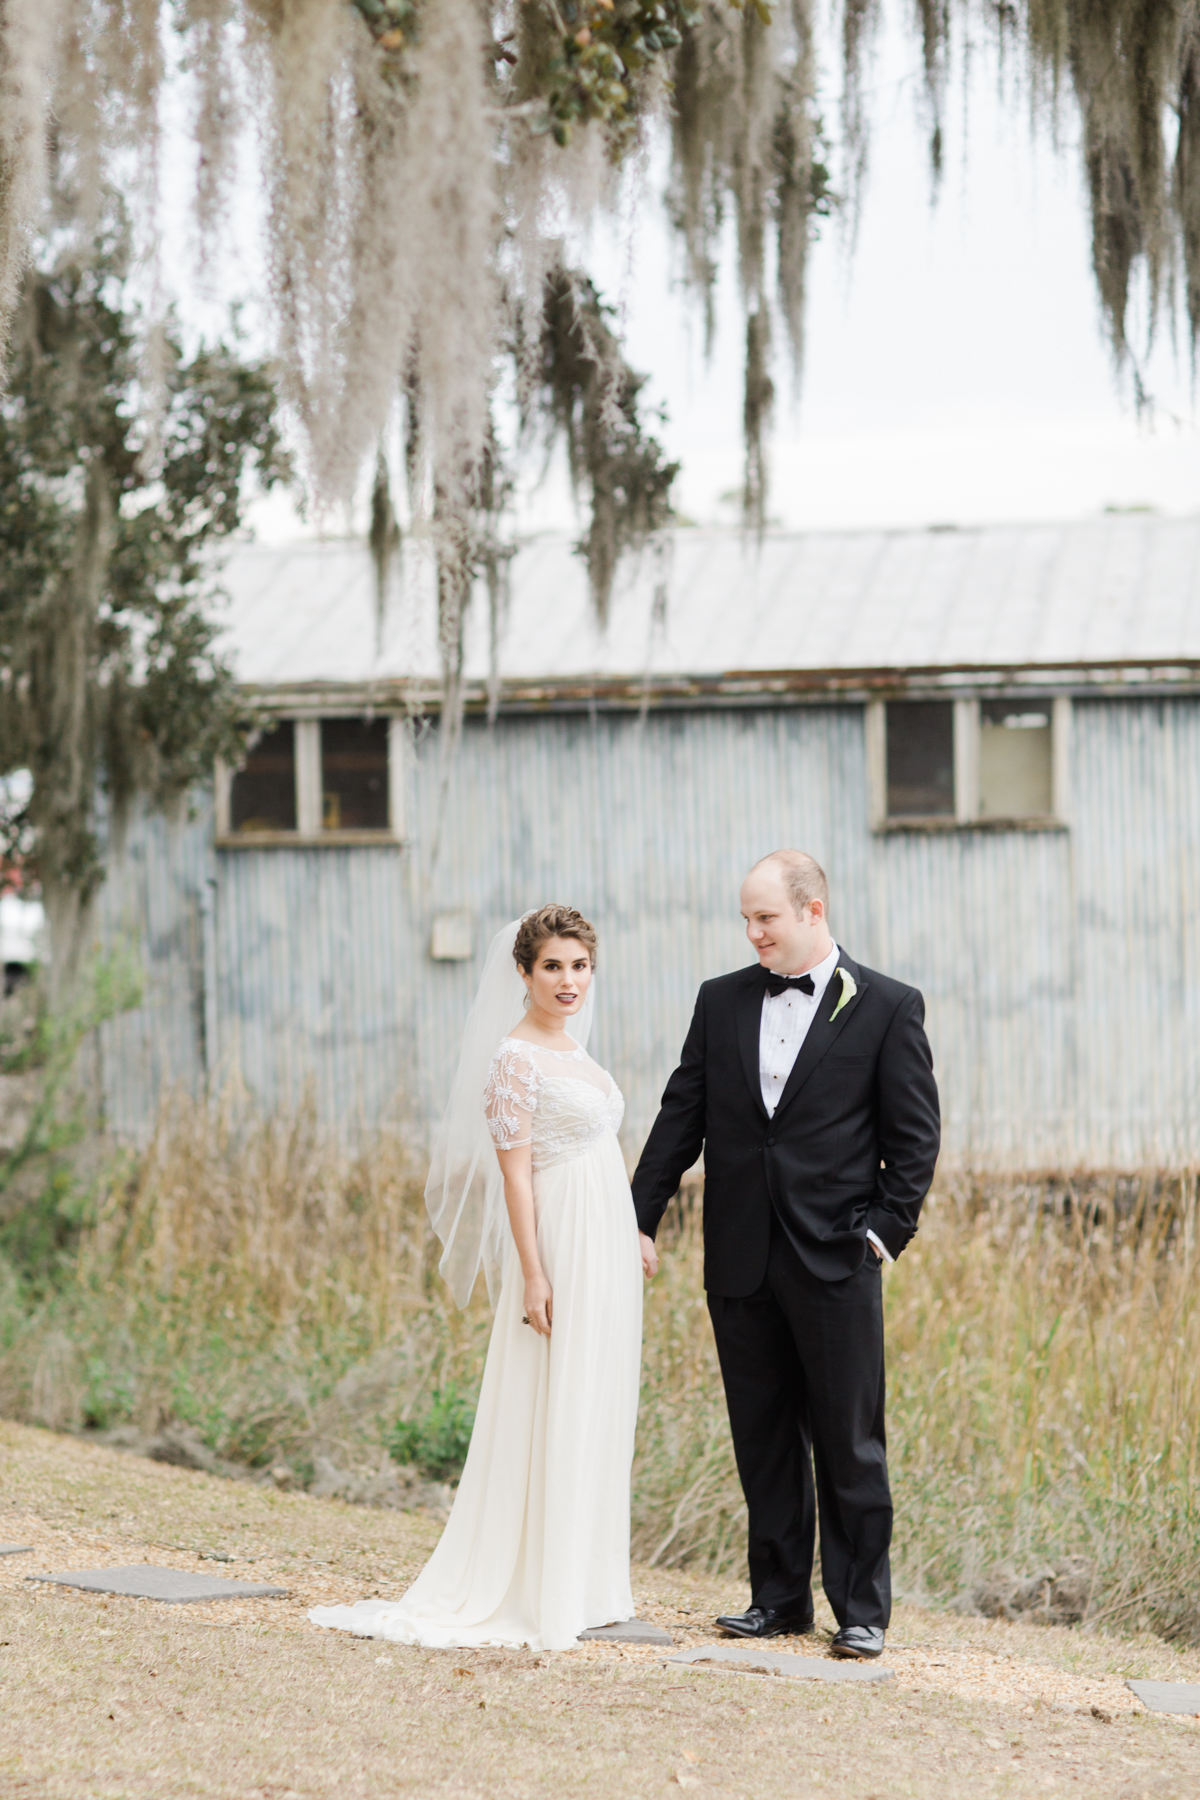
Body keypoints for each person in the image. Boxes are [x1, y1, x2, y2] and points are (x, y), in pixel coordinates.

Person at [309, 904, 650, 1652]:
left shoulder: (580, 1055)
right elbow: (517, 1177)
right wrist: (532, 1273)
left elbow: (595, 1150)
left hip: (604, 1242)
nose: (568, 981)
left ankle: (588, 1581)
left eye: (580, 966)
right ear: (523, 974)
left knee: (596, 1392)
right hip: (556, 1240)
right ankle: (538, 1585)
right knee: (553, 1393)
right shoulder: (515, 1059)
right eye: (552, 967)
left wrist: (626, 1230)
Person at [631, 852, 940, 1660]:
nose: (752, 932)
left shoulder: (888, 1007)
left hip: (836, 1260)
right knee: (761, 1437)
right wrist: (638, 1218)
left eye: (764, 917)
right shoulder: (721, 999)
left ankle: (862, 1610)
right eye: (746, 918)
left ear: (812, 910)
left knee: (849, 1440)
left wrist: (881, 1233)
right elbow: (680, 1116)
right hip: (739, 1259)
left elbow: (914, 1139)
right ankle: (777, 1601)